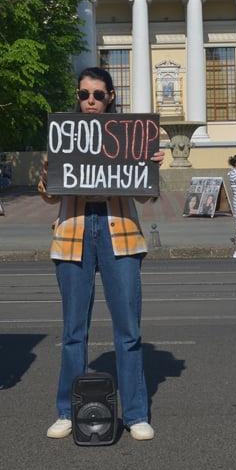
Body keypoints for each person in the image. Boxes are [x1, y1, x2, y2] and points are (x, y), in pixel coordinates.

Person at [38, 67, 164, 441]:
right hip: (74, 231)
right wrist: (47, 174)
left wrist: (150, 169)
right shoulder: (65, 135)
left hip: (119, 232)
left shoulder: (131, 137)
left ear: (110, 96)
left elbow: (143, 195)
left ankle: (136, 413)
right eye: (83, 95)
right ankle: (67, 410)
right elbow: (49, 194)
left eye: (96, 94)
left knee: (128, 330)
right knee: (74, 331)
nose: (89, 101)